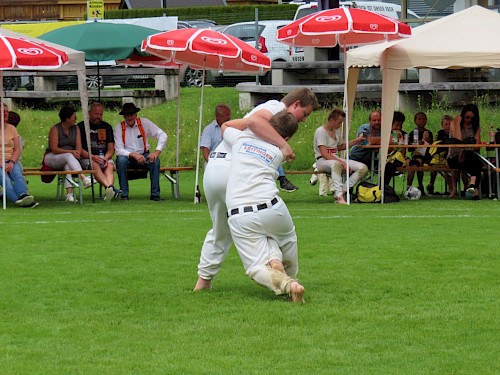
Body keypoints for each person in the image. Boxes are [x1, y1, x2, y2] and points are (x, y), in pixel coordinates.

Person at [194, 88, 319, 291]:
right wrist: (283, 145)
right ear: (295, 104)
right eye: (304, 114)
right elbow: (253, 122)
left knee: (221, 230)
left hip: (214, 170)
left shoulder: (261, 116)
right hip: (233, 172)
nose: (303, 120)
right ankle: (276, 266)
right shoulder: (275, 107)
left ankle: (204, 280)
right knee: (262, 222)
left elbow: (235, 125)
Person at [224, 110, 305, 302]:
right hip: (273, 208)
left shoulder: (240, 139)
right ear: (285, 137)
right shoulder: (278, 153)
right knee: (286, 239)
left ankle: (288, 285)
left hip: (240, 212)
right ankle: (280, 266)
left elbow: (226, 125)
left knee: (254, 267)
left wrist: (256, 124)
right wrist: (283, 144)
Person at [113, 102, 167, 201]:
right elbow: (118, 150)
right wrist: (133, 154)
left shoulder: (145, 123)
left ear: (136, 115)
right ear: (124, 116)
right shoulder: (118, 128)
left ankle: (155, 194)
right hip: (127, 157)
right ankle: (124, 194)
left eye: (131, 115)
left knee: (155, 161)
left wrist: (156, 152)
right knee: (121, 161)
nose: (129, 118)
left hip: (144, 154)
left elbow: (162, 135)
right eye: (127, 115)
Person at [314, 109, 368, 204]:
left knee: (363, 168)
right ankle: (339, 197)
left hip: (335, 158)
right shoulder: (320, 131)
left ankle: (342, 190)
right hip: (322, 160)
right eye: (339, 122)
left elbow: (341, 146)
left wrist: (358, 140)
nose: (340, 125)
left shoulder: (336, 131)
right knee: (335, 164)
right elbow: (324, 153)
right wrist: (342, 163)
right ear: (331, 120)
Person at [44, 106, 90, 203]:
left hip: (69, 158)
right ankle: (83, 177)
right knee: (68, 156)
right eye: (74, 117)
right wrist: (72, 152)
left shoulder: (76, 128)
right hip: (52, 157)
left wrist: (77, 152)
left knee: (68, 165)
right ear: (67, 118)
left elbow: (78, 145)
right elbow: (54, 149)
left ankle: (69, 195)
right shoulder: (55, 129)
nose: (76, 119)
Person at [78, 102, 119, 201]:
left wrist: (106, 158)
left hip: (103, 157)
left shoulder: (106, 127)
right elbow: (78, 149)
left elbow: (111, 148)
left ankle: (109, 191)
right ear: (89, 113)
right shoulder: (81, 127)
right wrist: (91, 156)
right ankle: (110, 188)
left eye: (101, 114)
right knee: (94, 165)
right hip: (87, 158)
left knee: (109, 165)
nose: (99, 117)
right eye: (96, 114)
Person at [0, 104, 38, 208]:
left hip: (11, 160)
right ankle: (22, 201)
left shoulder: (12, 128)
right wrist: (1, 164)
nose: (5, 114)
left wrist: (12, 162)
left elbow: (17, 149)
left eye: (7, 111)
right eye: (2, 111)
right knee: (5, 180)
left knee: (17, 175)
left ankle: (23, 195)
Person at [447, 103, 483, 199]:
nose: (469, 120)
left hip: (470, 156)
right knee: (476, 163)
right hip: (455, 157)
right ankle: (474, 189)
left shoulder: (475, 126)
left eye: (472, 118)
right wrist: (458, 123)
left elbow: (477, 147)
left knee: (474, 160)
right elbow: (458, 140)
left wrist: (465, 150)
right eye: (467, 117)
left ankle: (472, 186)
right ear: (463, 115)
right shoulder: (455, 123)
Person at [406, 111, 433, 195]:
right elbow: (409, 148)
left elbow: (433, 145)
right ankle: (411, 186)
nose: (422, 121)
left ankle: (431, 185)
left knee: (436, 163)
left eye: (424, 119)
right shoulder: (413, 133)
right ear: (415, 121)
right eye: (419, 119)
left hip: (428, 154)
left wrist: (428, 140)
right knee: (417, 163)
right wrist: (418, 143)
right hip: (417, 154)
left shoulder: (429, 133)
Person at [427, 114, 453, 196]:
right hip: (440, 157)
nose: (448, 126)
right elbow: (436, 146)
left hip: (451, 157)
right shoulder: (440, 133)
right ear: (442, 125)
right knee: (435, 168)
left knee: (449, 168)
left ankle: (451, 189)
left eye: (450, 124)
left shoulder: (456, 133)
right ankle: (431, 184)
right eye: (446, 124)